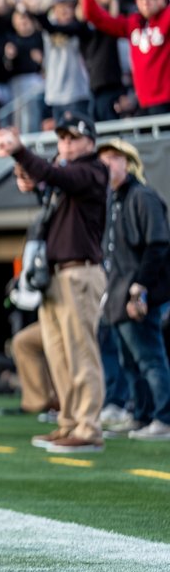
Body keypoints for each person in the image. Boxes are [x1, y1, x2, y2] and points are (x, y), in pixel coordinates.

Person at [0, 113, 108, 452]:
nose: (66, 144)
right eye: (62, 138)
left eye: (73, 138)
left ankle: (88, 428)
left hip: (79, 272)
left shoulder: (93, 170)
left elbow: (55, 176)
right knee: (59, 355)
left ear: (90, 141)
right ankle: (69, 422)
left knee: (80, 352)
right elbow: (46, 180)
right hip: (56, 275)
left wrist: (20, 153)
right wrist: (25, 171)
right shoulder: (69, 174)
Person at [96, 138, 170, 441]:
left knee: (150, 358)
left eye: (114, 158)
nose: (108, 164)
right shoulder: (113, 199)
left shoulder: (143, 196)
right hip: (117, 293)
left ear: (128, 162)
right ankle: (140, 415)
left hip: (138, 293)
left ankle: (164, 419)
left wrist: (139, 289)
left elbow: (158, 245)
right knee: (128, 360)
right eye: (103, 159)